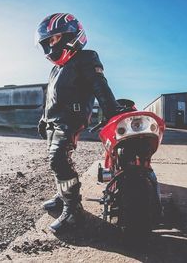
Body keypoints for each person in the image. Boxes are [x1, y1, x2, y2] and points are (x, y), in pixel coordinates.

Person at [35, 13, 122, 233]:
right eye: (49, 41)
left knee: (59, 160)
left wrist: (111, 112)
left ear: (71, 35)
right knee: (56, 162)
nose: (51, 44)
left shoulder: (86, 58)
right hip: (53, 122)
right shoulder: (55, 69)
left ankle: (73, 211)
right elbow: (50, 98)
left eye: (55, 38)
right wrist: (43, 119)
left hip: (71, 119)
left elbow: (100, 86)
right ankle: (62, 195)